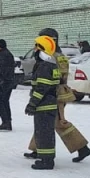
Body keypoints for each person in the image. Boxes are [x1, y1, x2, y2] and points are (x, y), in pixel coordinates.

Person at [25, 35, 61, 170]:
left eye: (36, 47)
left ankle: (46, 161)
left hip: (44, 105)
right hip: (49, 104)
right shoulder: (51, 65)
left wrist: (32, 104)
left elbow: (41, 88)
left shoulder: (44, 67)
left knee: (44, 133)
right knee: (45, 132)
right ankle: (45, 157)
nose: (34, 50)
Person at [0, 39, 16, 131]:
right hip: (8, 81)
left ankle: (5, 122)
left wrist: (1, 79)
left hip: (4, 82)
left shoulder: (3, 55)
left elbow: (3, 69)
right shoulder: (8, 54)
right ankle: (8, 122)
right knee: (5, 101)